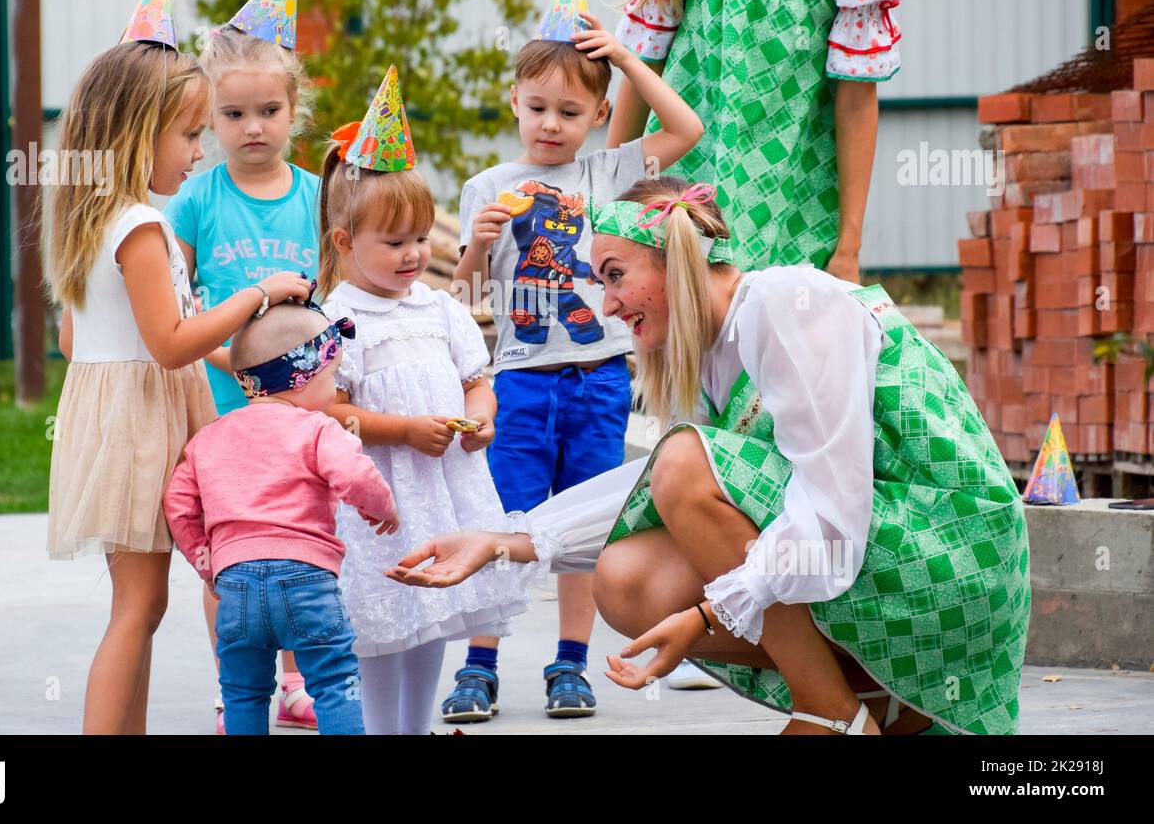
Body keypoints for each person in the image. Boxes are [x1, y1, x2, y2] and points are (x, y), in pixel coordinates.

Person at [390, 177, 1031, 736]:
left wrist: (709, 613)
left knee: (682, 464)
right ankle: (869, 703)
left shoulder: (788, 304)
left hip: (949, 549)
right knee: (626, 577)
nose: (606, 304)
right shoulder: (711, 356)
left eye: (615, 275)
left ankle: (827, 710)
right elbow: (654, 488)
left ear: (675, 257)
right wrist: (505, 540)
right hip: (887, 550)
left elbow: (834, 516)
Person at [43, 0, 312, 734]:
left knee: (145, 602)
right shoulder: (143, 227)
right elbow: (168, 344)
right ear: (136, 133)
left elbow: (72, 338)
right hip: (143, 423)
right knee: (137, 608)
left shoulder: (93, 222)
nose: (198, 152)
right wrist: (257, 296)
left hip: (110, 418)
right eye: (190, 133)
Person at [447, 0, 702, 721]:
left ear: (597, 116)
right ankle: (480, 665)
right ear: (515, 105)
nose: (550, 124)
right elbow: (462, 293)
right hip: (522, 379)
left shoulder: (610, 176)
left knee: (582, 528)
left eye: (568, 111)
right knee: (507, 523)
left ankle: (569, 665)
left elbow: (687, 128)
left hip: (598, 376)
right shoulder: (487, 188)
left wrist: (625, 57)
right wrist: (474, 243)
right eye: (537, 108)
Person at [319, 67, 529, 735]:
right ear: (345, 243)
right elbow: (326, 411)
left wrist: (483, 417)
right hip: (382, 499)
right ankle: (384, 728)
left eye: (421, 237)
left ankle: (416, 727)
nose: (415, 255)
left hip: (444, 490)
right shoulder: (337, 319)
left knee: (435, 611)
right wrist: (402, 429)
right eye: (396, 242)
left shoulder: (439, 307)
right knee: (385, 618)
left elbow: (477, 376)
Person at [609, 0, 910, 285]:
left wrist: (848, 248)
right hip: (680, 191)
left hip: (794, 205)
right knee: (678, 338)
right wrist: (609, 197)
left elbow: (856, 100)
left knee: (772, 339)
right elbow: (644, 66)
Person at [166, 0, 324, 732]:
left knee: (299, 545)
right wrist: (218, 361)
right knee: (230, 555)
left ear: (295, 109)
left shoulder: (316, 198)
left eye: (268, 110)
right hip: (224, 405)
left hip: (304, 410)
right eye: (233, 116)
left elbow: (338, 299)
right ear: (210, 119)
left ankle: (297, 678)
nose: (252, 128)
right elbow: (174, 299)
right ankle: (241, 687)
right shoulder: (197, 197)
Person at [164, 300, 400, 734]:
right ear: (303, 377)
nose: (333, 391)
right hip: (306, 579)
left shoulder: (210, 436)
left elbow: (178, 502)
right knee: (334, 683)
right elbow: (353, 474)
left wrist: (206, 561)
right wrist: (381, 507)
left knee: (242, 690)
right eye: (330, 379)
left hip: (234, 585)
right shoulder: (319, 428)